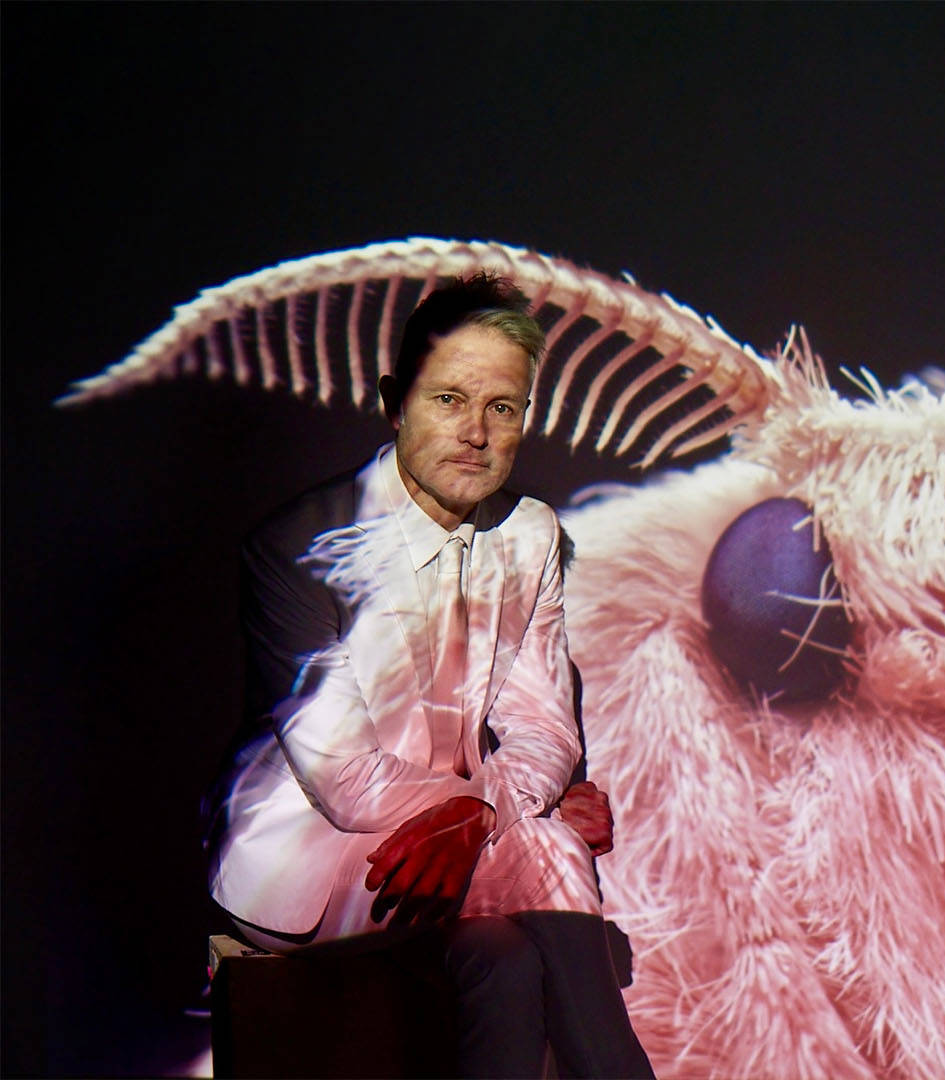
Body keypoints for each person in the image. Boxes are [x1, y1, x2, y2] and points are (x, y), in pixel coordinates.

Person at [206, 272, 654, 1078]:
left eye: (503, 408)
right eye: (449, 400)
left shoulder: (531, 535)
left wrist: (477, 817)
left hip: (468, 847)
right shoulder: (303, 545)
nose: (477, 433)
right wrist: (494, 811)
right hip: (324, 861)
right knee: (551, 843)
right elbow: (341, 778)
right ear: (394, 401)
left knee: (510, 958)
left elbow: (546, 729)